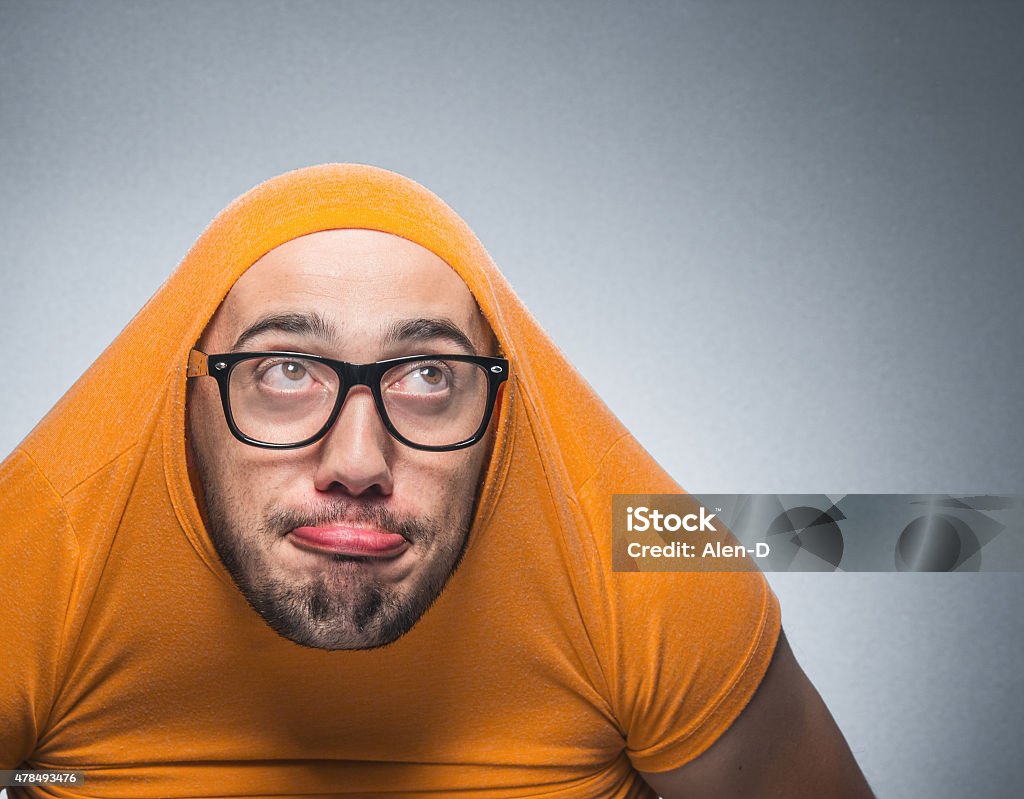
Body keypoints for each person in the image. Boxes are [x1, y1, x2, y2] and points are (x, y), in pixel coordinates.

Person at [0, 164, 872, 797]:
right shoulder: (35, 548)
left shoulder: (652, 561)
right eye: (286, 370)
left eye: (426, 377)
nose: (355, 464)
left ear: (503, 408)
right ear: (186, 391)